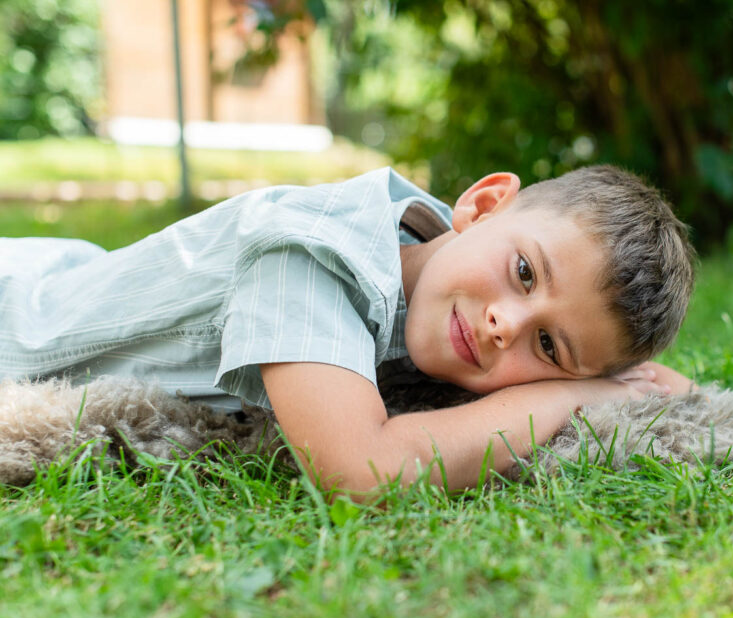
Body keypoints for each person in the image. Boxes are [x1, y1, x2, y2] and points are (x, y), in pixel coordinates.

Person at [0, 165, 695, 496]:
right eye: (522, 272)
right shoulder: (310, 255)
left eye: (547, 345)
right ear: (482, 206)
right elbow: (359, 473)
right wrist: (564, 395)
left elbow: (664, 387)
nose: (502, 324)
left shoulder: (441, 260)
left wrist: (613, 383)